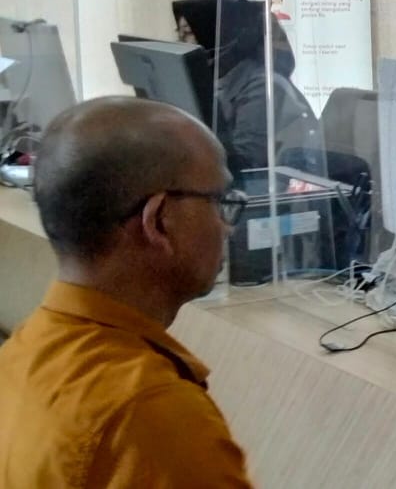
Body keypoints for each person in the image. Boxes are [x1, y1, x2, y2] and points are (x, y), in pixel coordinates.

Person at [0, 96, 254, 487]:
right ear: (159, 221)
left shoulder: (23, 352)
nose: (228, 227)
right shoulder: (154, 416)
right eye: (218, 201)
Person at [173, 0, 323, 176]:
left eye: (188, 33)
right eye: (179, 34)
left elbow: (245, 164)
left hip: (273, 187)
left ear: (214, 34)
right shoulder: (220, 80)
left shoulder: (263, 87)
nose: (180, 42)